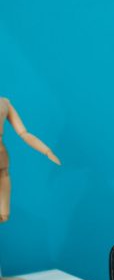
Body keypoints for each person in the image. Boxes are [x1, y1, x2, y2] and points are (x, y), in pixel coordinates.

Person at [0, 96, 62, 224]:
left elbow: (24, 133)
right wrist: (47, 151)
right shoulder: (4, 103)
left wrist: (47, 151)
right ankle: (4, 212)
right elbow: (24, 134)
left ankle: (4, 212)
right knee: (3, 175)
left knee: (3, 175)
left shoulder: (4, 103)